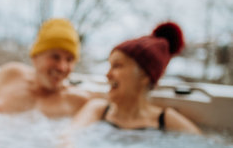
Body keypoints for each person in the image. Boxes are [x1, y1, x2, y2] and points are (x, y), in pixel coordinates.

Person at [70, 22, 201, 134]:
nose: (108, 74)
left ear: (144, 75)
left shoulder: (166, 120)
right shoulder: (98, 109)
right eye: (109, 66)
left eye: (117, 66)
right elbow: (67, 139)